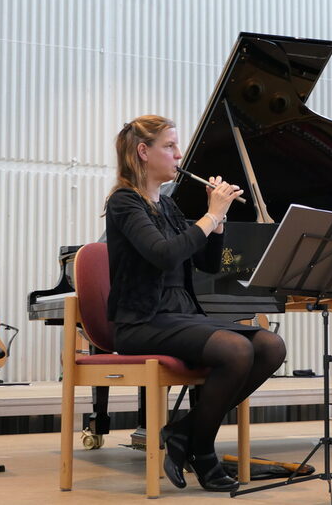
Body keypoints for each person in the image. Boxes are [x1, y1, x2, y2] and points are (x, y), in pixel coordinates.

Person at [105, 115, 287, 492]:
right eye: (170, 146)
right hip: (141, 321)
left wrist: (217, 225)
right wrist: (211, 214)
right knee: (236, 349)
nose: (179, 153)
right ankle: (202, 451)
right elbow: (163, 255)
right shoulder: (124, 203)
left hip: (179, 316)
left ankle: (183, 434)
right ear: (143, 152)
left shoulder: (168, 208)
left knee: (270, 345)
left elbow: (206, 262)